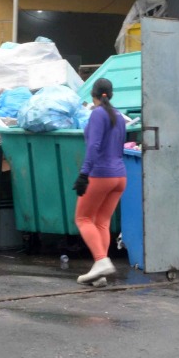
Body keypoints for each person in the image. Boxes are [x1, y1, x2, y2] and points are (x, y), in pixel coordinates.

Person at [73, 77, 128, 285]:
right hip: (120, 176)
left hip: (101, 174)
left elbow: (93, 146)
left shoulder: (97, 114)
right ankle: (101, 273)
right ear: (110, 95)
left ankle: (101, 261)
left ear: (93, 95)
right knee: (101, 222)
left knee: (83, 219)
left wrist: (84, 174)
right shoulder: (119, 116)